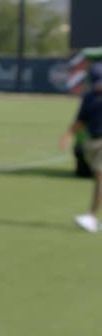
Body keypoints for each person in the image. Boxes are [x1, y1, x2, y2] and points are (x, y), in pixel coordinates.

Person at [60, 62, 102, 232]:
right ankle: (92, 217)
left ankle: (91, 217)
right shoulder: (89, 97)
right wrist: (67, 135)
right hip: (92, 143)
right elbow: (80, 121)